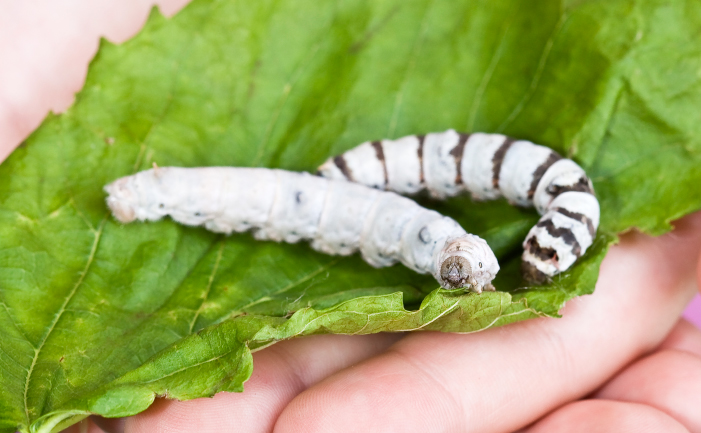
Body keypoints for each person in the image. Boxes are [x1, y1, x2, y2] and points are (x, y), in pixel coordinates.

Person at [2, 2, 700, 432]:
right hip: (343, 190)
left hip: (368, 193)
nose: (532, 261)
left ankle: (162, 192)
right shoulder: (467, 207)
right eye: (545, 250)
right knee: (303, 199)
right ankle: (148, 193)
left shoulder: (491, 210)